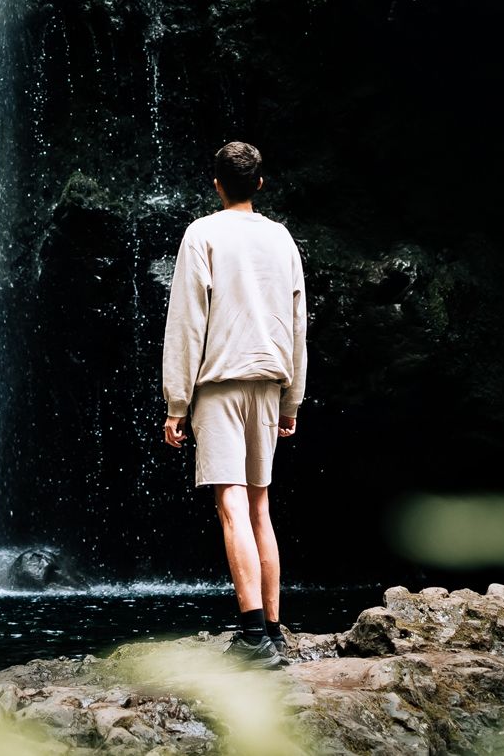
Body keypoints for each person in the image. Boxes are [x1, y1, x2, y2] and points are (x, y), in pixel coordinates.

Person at [160, 140, 308, 666]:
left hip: (220, 383)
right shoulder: (282, 238)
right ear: (260, 183)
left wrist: (177, 402)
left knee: (232, 505)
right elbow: (297, 326)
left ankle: (252, 638)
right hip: (269, 383)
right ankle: (272, 628)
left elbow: (186, 321)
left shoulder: (203, 233)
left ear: (217, 184)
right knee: (260, 505)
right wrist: (293, 400)